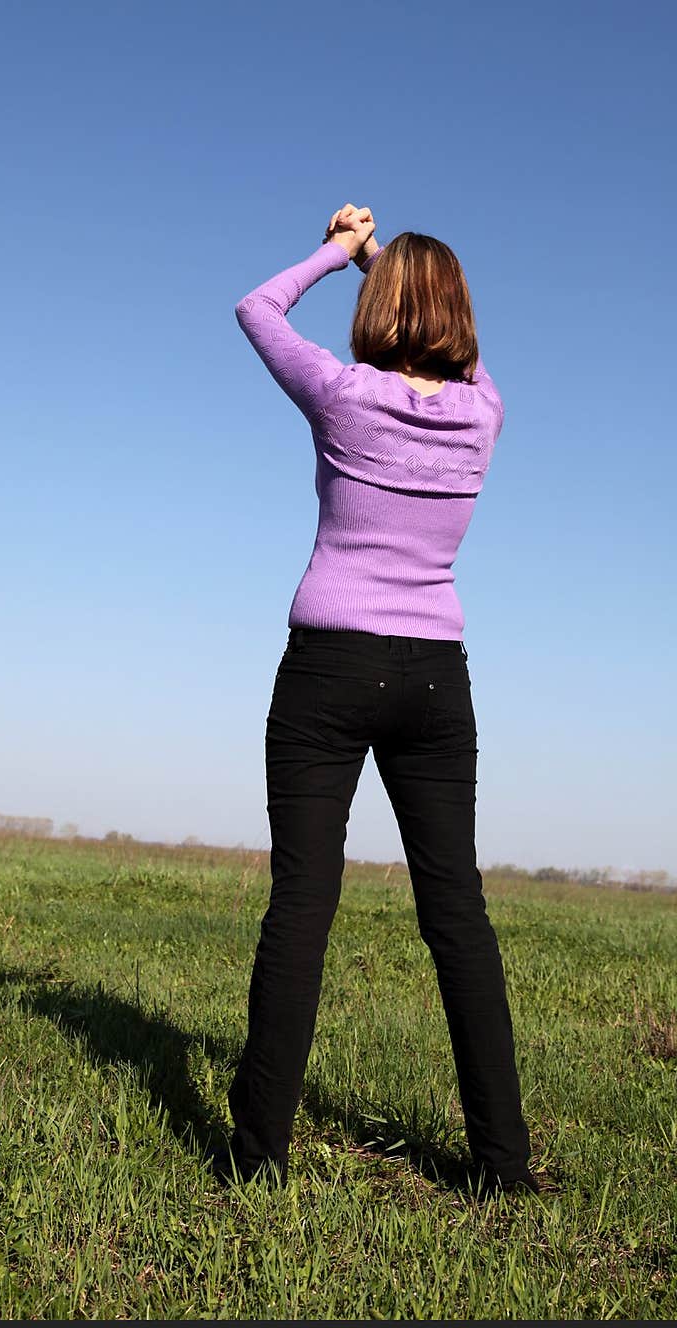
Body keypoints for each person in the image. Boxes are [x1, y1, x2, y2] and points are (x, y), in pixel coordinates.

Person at [207, 204, 540, 1199]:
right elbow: (461, 361)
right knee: (458, 917)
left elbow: (256, 308)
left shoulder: (343, 394)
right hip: (438, 677)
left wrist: (341, 251)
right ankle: (502, 1166)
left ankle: (258, 1158)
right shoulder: (484, 413)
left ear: (383, 306)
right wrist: (390, 268)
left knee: (301, 910)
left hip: (329, 668)